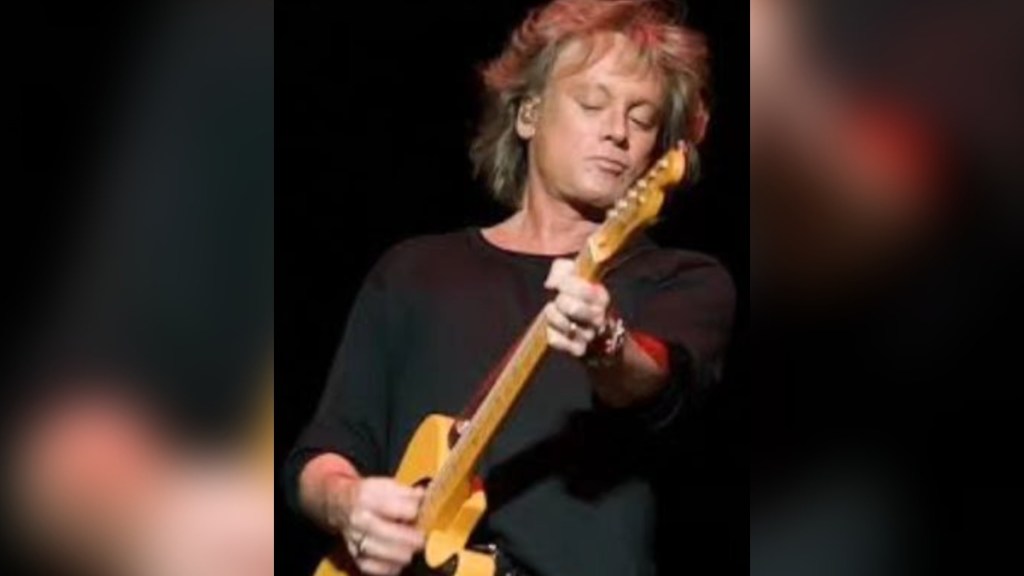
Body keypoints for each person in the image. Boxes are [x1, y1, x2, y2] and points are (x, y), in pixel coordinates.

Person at [284, 1, 734, 575]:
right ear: (527, 114)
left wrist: (606, 341)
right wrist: (346, 503)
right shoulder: (413, 272)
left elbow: (653, 381)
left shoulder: (682, 280)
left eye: (642, 119)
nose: (617, 132)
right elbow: (323, 452)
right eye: (592, 103)